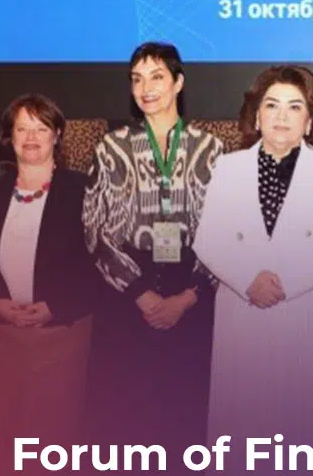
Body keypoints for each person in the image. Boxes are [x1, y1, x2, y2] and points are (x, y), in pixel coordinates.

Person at [196, 67, 313, 476]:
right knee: (247, 420)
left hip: (306, 309)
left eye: (294, 107)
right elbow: (207, 239)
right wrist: (248, 279)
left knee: (304, 421)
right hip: (244, 309)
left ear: (310, 120)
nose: (282, 116)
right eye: (271, 105)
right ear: (256, 116)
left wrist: (284, 283)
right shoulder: (229, 167)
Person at [82, 42, 224, 448]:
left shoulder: (210, 148)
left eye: (157, 77)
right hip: (126, 297)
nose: (146, 88)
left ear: (178, 83)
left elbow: (227, 231)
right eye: (137, 79)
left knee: (185, 418)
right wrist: (140, 293)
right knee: (126, 420)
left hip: (192, 293)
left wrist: (188, 297)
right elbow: (94, 229)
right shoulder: (111, 147)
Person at [0, 94, 99, 447]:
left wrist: (56, 306)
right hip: (2, 336)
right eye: (22, 128)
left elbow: (98, 264)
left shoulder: (83, 191)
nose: (31, 137)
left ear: (57, 135)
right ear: (9, 136)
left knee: (53, 443)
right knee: (3, 443)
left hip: (62, 334)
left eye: (41, 128)